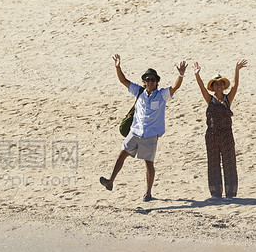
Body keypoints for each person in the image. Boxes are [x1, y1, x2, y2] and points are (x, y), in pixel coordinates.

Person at [100, 53, 187, 201]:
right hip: (135, 132)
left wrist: (180, 74)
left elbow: (175, 87)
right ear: (144, 82)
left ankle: (148, 193)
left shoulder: (161, 95)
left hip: (150, 135)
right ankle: (110, 181)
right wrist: (118, 67)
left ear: (157, 81)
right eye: (148, 79)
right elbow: (123, 80)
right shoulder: (138, 91)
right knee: (121, 154)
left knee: (149, 164)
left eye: (153, 79)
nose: (150, 82)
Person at [193, 59, 248, 200]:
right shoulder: (209, 99)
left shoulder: (228, 99)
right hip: (211, 135)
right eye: (216, 84)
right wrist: (197, 75)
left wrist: (237, 70)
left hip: (226, 135)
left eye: (220, 83)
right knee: (213, 163)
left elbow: (235, 86)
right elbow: (201, 88)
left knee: (229, 162)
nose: (218, 85)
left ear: (223, 86)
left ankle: (230, 193)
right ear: (213, 86)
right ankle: (216, 193)